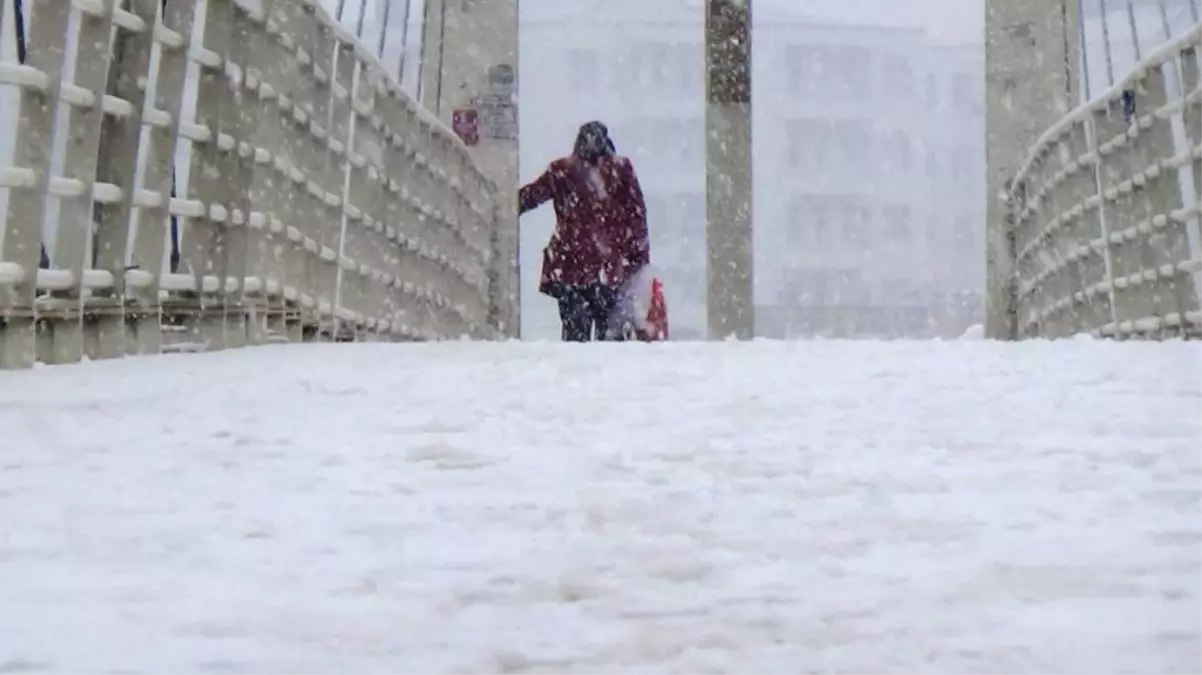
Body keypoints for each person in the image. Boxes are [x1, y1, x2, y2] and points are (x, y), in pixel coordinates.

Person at [519, 121, 650, 342]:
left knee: (574, 333)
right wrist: (638, 261)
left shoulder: (562, 171)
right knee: (610, 336)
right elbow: (637, 218)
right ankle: (607, 373)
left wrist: (502, 203)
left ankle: (575, 372)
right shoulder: (620, 170)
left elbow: (530, 197)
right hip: (609, 268)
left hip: (569, 265)